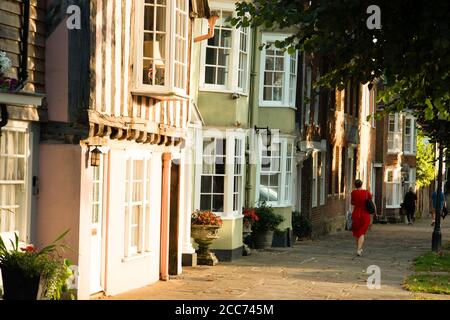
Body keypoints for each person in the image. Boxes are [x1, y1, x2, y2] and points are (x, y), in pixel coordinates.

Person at [351, 179, 377, 256]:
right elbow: (372, 203)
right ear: (361, 184)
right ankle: (359, 250)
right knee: (362, 232)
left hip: (356, 214)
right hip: (365, 215)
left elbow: (352, 203)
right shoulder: (366, 193)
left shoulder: (353, 193)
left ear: (355, 185)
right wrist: (375, 212)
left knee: (356, 233)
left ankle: (359, 249)